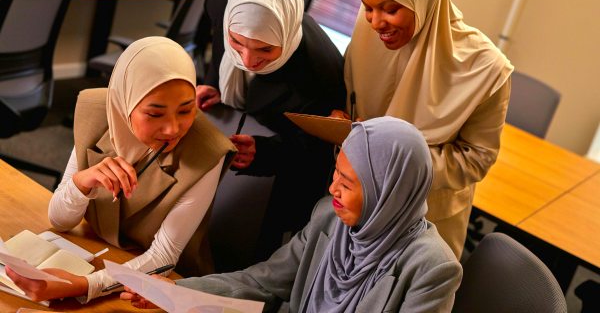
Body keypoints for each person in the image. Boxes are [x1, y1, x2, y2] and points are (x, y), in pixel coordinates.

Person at [121, 117, 462, 313]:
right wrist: (176, 292)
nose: (333, 191)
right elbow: (262, 282)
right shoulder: (330, 218)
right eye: (335, 175)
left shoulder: (432, 268)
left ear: (388, 192)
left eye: (347, 183)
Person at [6, 37, 236, 303]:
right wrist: (83, 181)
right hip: (97, 250)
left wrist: (85, 285)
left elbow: (163, 257)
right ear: (125, 102)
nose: (173, 129)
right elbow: (60, 220)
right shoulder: (99, 113)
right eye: (155, 114)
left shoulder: (207, 151)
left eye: (186, 110)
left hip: (165, 284)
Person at [332, 0, 513, 258]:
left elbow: (476, 158)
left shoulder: (484, 67)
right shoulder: (365, 33)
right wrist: (339, 121)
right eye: (368, 7)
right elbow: (353, 102)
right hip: (359, 204)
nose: (375, 22)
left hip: (426, 220)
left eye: (390, 9)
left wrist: (393, 158)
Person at [196, 0, 346, 260]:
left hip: (287, 161)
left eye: (265, 49)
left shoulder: (322, 72)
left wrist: (265, 152)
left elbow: (318, 146)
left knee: (252, 249)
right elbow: (220, 39)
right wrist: (216, 83)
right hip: (240, 126)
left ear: (287, 37)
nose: (249, 60)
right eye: (237, 42)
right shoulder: (222, 0)